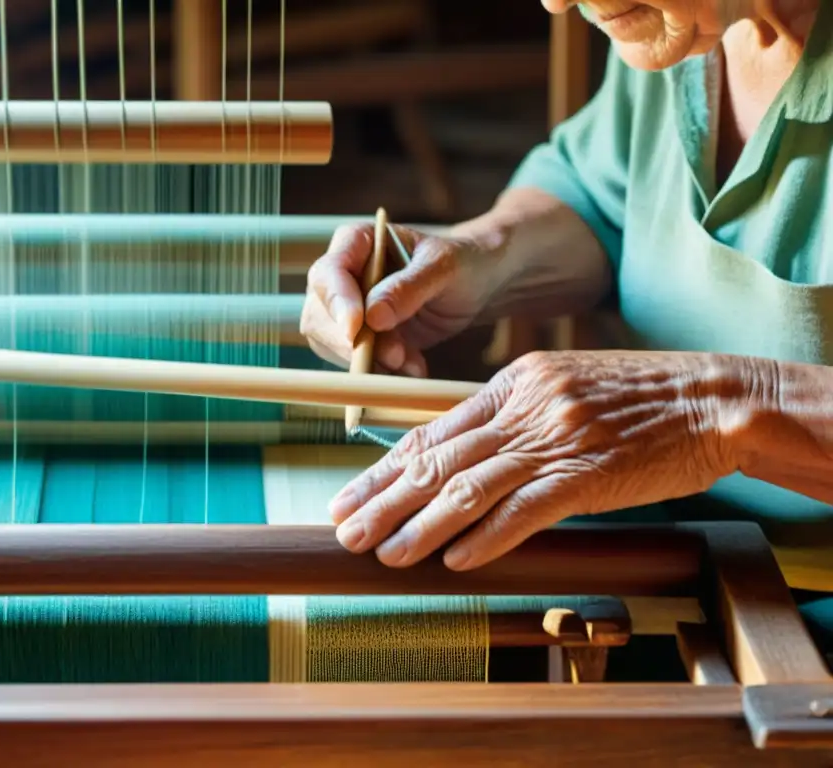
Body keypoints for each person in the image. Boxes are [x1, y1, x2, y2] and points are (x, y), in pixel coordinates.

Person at [300, 0, 833, 614]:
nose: (555, 3)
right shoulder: (687, 26)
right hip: (676, 556)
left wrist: (706, 409)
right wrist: (482, 255)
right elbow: (603, 195)